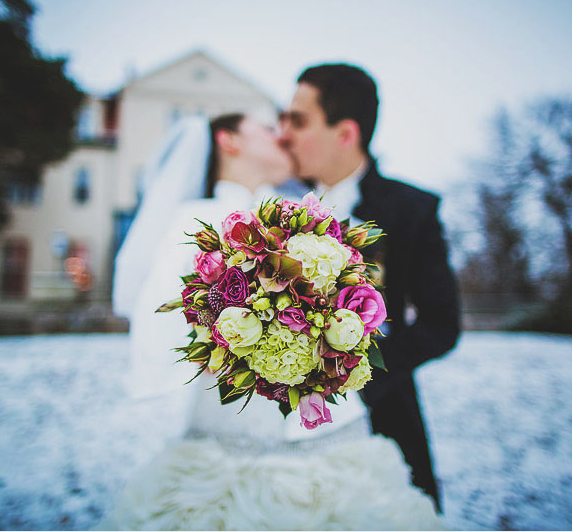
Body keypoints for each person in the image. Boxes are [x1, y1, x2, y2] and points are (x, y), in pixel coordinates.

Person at [102, 112, 444, 530]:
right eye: (266, 129)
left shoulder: (297, 215)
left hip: (334, 430)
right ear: (229, 140)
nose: (281, 136)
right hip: (234, 429)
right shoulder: (195, 220)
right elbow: (170, 318)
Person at [280, 63, 461, 514]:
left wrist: (354, 375)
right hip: (277, 424)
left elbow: (442, 325)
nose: (284, 134)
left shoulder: (411, 209)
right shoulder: (270, 206)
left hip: (379, 415)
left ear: (345, 133)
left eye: (298, 121)